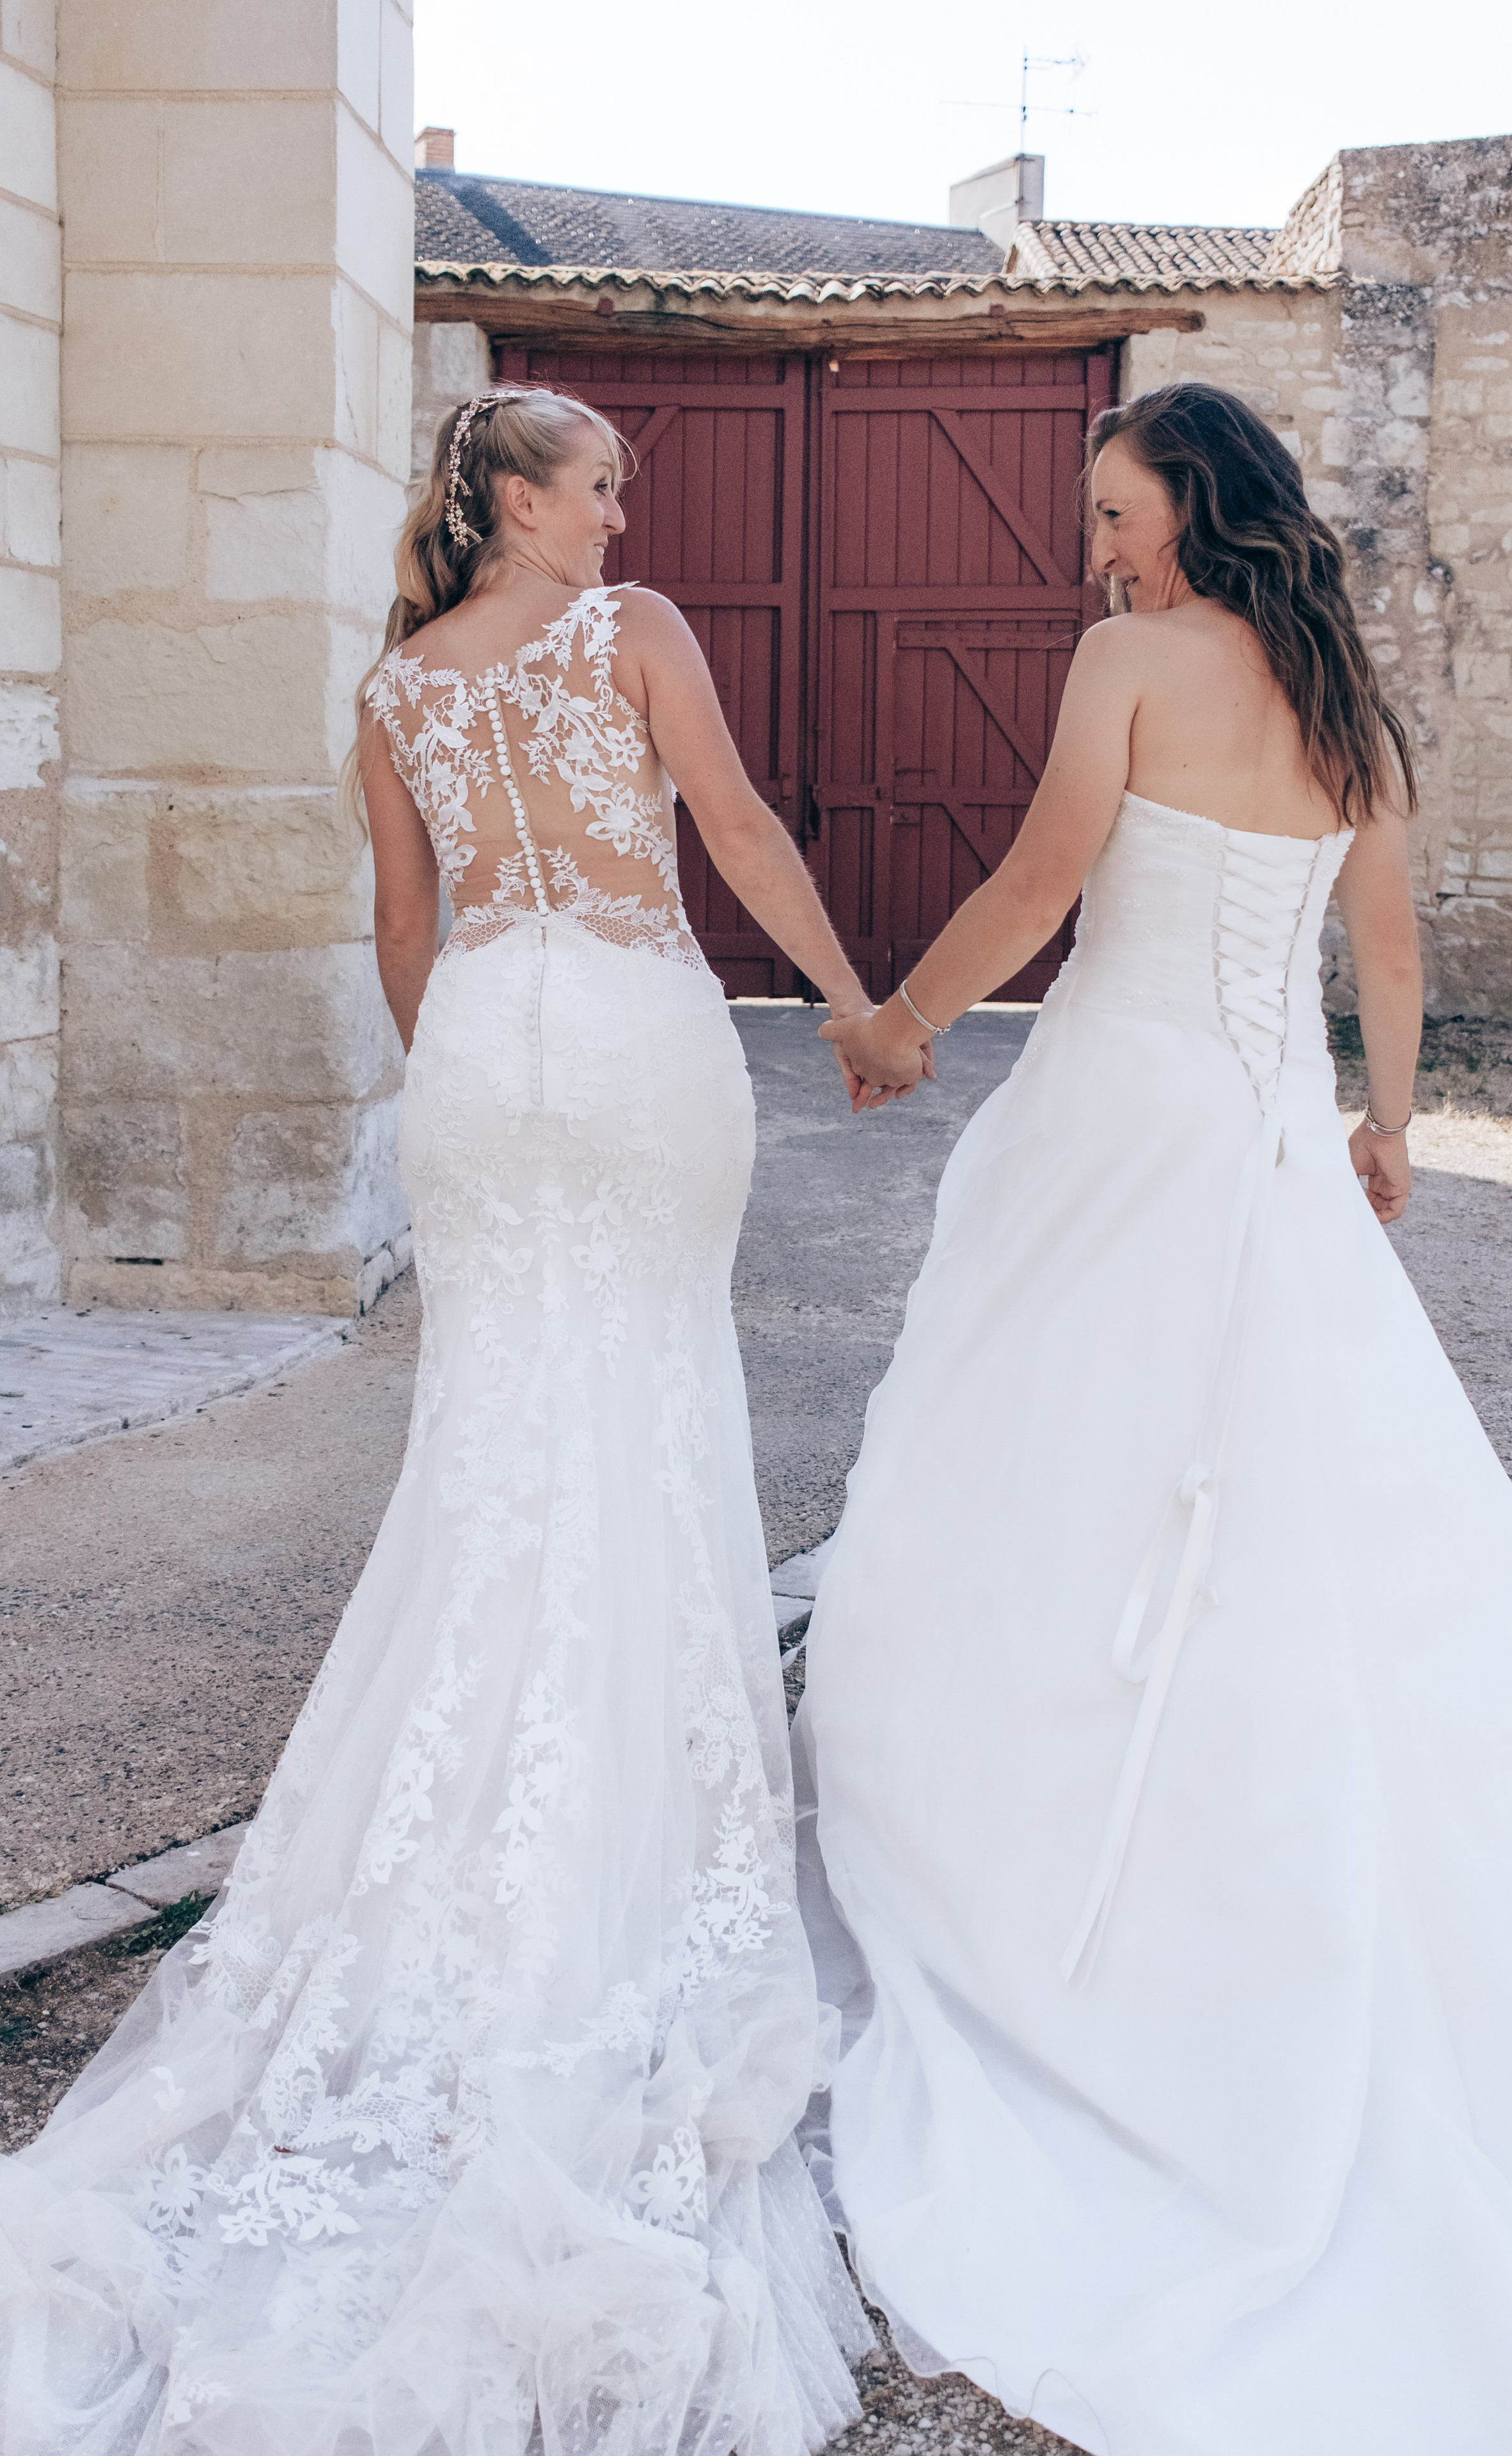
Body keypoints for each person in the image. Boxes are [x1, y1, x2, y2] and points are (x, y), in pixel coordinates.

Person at [0, 389, 876, 2455]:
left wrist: (484, 1056)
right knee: (647, 1415)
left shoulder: (396, 687)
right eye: (592, 482)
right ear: (506, 498)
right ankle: (636, 1845)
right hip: (649, 1037)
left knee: (499, 1446)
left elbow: (406, 937)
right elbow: (736, 835)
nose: (618, 509)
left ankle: (470, 1833)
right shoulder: (640, 629)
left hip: (486, 1054)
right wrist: (850, 1000)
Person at [800, 380, 1512, 2454]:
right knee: (1298, 1505)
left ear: (1194, 496)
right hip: (1262, 1131)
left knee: (1051, 1475)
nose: (1099, 548)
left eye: (1116, 507)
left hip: (1123, 1119)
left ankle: (1043, 1868)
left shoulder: (1130, 663)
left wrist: (904, 1018)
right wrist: (1388, 1125)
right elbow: (1389, 937)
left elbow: (1040, 883)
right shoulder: (1347, 696)